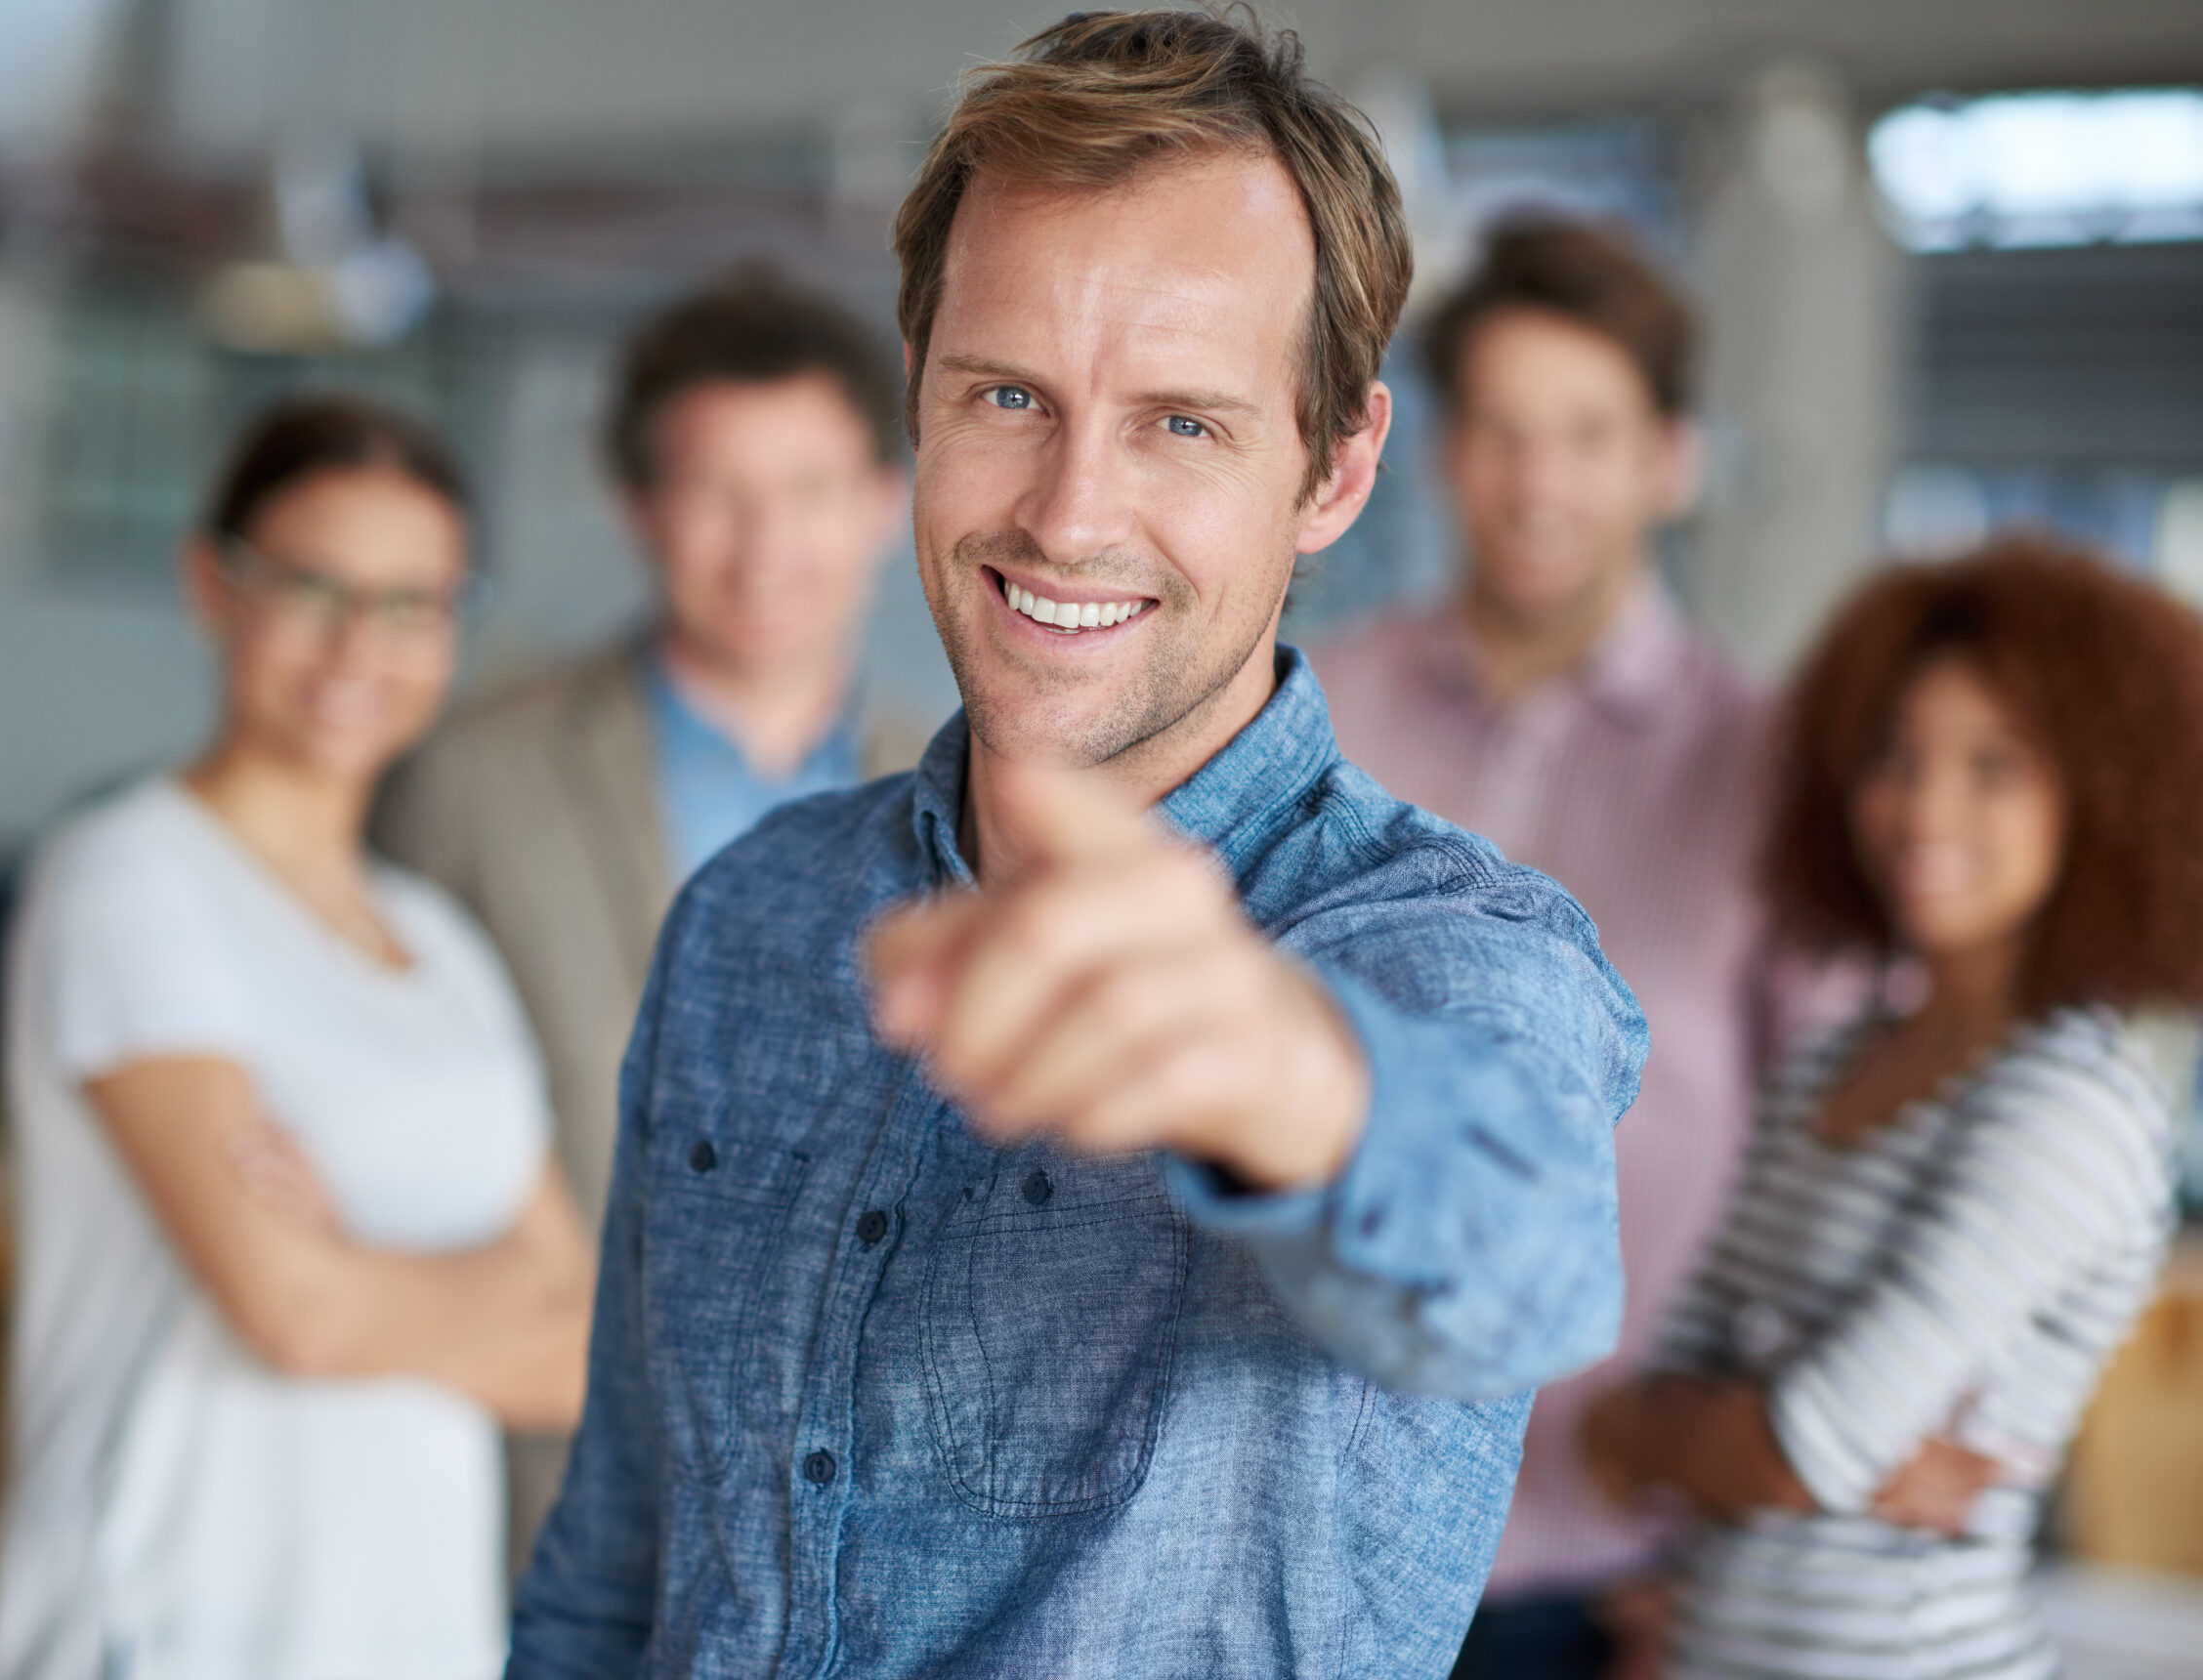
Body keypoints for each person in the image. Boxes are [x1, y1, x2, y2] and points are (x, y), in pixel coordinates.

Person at [509, 15, 1647, 1677]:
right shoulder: (754, 915)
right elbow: (615, 1564)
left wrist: (1286, 1079)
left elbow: (1528, 1261)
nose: (1064, 514)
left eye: (1182, 423)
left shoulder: (1449, 946)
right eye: (1006, 395)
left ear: (1334, 471)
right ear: (920, 395)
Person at [0, 397, 593, 1680]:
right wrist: (448, 1286)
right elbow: (295, 1314)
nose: (362, 644)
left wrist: (348, 1264)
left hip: (416, 1636)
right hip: (168, 1627)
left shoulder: (442, 948)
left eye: (413, 603)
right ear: (213, 585)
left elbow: (592, 1349)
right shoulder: (128, 878)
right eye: (315, 588)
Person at [1585, 534, 2203, 1679]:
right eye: (1893, 753)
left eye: (1992, 766)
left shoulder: (2070, 1106)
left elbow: (1792, 1449)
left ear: (2102, 796)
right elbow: (1628, 1431)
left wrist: (1754, 1448)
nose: (1922, 807)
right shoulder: (1832, 1061)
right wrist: (1732, 1446)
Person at [1306, 220, 1767, 1674]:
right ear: (1443, 453)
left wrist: (1730, 1543)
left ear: (1669, 460)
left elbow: (1829, 1154)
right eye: (1501, 431)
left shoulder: (1767, 770)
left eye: (1586, 434)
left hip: (1605, 1569)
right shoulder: (1314, 712)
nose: (1537, 483)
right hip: (1306, 1525)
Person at [378, 270, 929, 1226]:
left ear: (885, 502)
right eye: (716, 492)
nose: (764, 549)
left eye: (809, 490)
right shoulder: (470, 777)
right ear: (638, 507)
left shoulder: (974, 805)